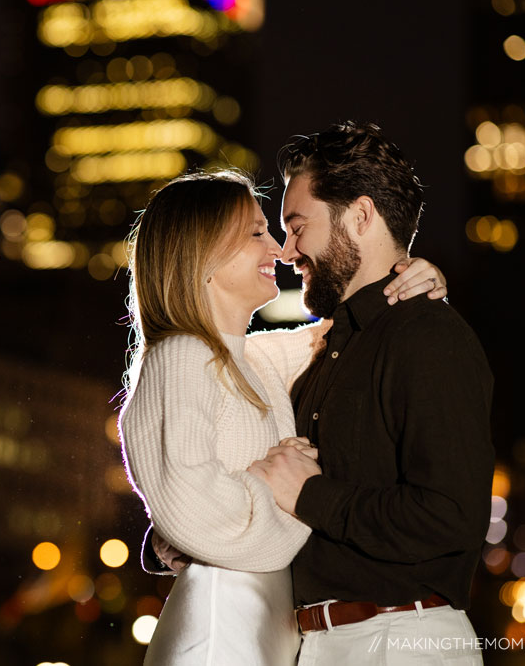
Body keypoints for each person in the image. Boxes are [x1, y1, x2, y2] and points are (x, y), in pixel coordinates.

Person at [118, 168, 448, 665]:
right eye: (257, 233)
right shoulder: (182, 357)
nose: (279, 249)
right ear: (201, 255)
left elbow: (346, 338)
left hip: (259, 631)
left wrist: (414, 284)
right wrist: (290, 489)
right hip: (220, 633)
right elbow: (198, 515)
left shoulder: (249, 363)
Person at [245, 121, 494, 665]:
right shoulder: (326, 353)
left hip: (400, 642)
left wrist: (311, 495)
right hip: (322, 643)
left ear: (360, 216)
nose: (287, 250)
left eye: (297, 226)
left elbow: (450, 516)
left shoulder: (427, 336)